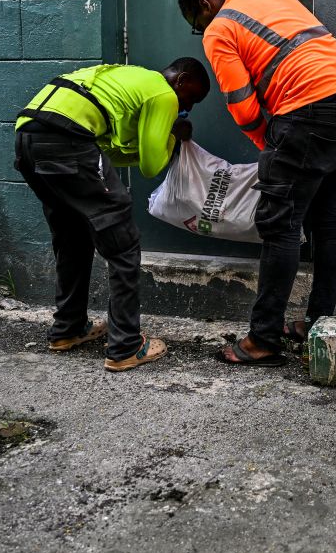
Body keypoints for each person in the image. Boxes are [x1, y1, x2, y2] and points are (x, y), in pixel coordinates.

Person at [176, 0, 336, 367]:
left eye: (196, 25)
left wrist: (271, 145)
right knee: (329, 218)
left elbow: (243, 105)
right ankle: (319, 324)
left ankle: (263, 339)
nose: (202, 32)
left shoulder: (221, 28)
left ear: (204, 5)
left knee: (279, 224)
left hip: (310, 110)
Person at [14, 59, 210, 371]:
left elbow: (109, 153)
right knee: (123, 244)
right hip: (68, 139)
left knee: (72, 237)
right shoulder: (163, 94)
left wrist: (157, 143)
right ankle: (126, 346)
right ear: (181, 81)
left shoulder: (130, 79)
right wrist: (174, 136)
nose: (187, 107)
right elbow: (150, 165)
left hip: (29, 139)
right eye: (191, 99)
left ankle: (67, 330)